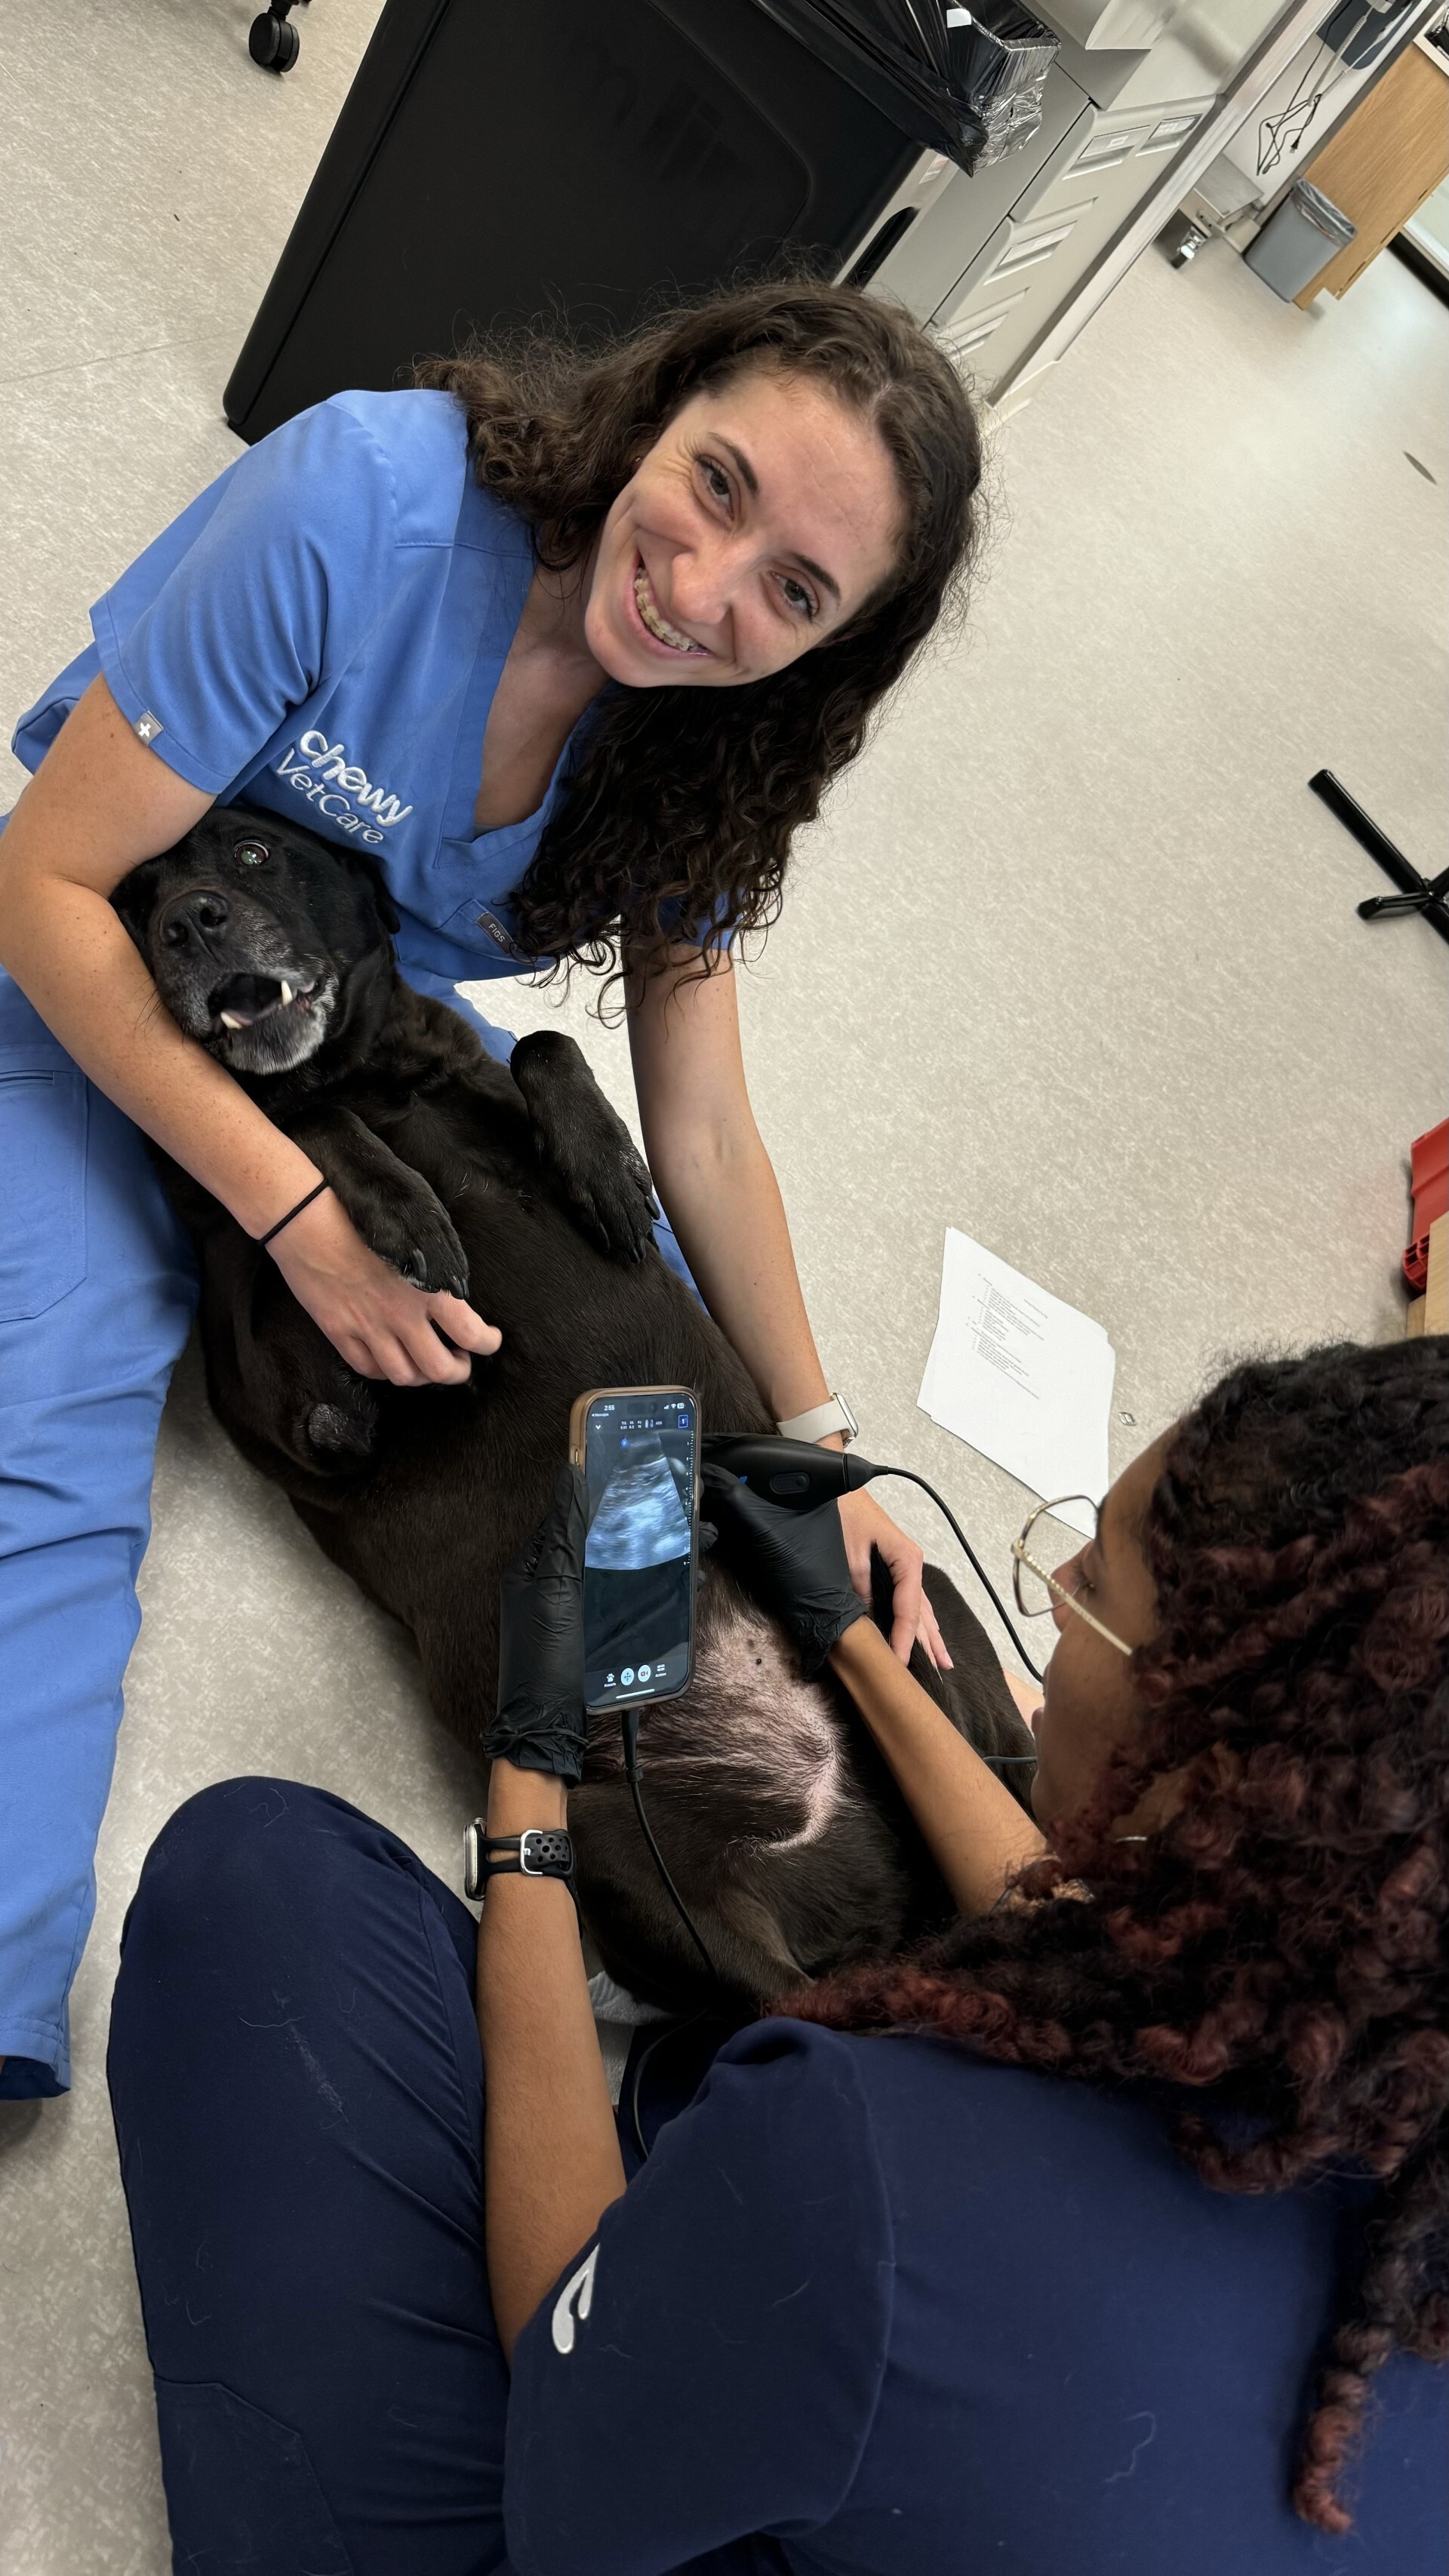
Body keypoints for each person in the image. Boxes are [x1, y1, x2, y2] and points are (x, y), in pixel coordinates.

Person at [0, 281, 984, 2097]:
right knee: (60, 1396)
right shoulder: (361, 501)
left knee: (650, 1320)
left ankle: (797, 1848)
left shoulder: (701, 738)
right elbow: (45, 883)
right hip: (97, 946)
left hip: (352, 1005)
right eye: (715, 485)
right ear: (663, 397)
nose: (703, 590)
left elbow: (700, 1127)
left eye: (794, 594)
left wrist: (823, 1447)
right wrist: (302, 1216)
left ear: (831, 651)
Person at [106, 1336, 1447, 2574]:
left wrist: (531, 1764)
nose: (1050, 1590)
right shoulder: (1382, 2048)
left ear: (1216, 1760)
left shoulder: (860, 2156)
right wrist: (850, 1641)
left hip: (633, 2438)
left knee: (257, 1882)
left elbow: (571, 2357)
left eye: (1091, 1583)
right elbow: (1084, 1918)